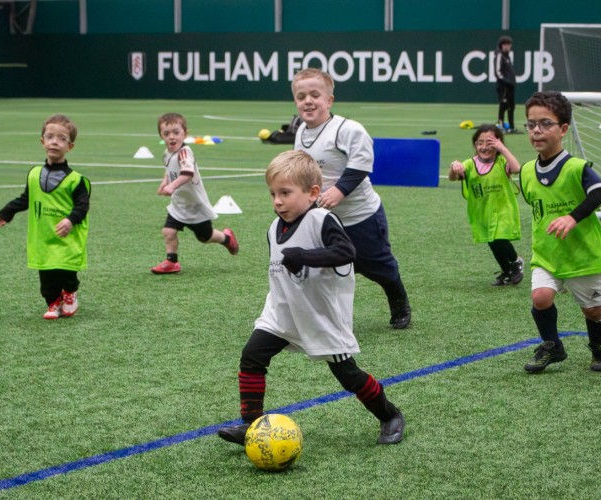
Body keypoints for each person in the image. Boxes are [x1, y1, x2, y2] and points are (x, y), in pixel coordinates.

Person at [216, 150, 405, 446]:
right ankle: (251, 425)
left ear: (313, 193)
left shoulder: (321, 220)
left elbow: (346, 252)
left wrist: (305, 256)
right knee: (252, 356)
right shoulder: (273, 228)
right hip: (281, 312)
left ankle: (389, 415)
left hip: (319, 315)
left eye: (285, 193)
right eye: (273, 194)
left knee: (347, 375)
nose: (278, 201)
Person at [291, 68, 412, 329]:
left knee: (379, 267)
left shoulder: (348, 129)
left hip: (360, 216)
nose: (308, 101)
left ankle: (399, 303)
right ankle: (320, 315)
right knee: (323, 268)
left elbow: (362, 162)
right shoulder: (300, 132)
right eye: (301, 97)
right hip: (324, 218)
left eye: (315, 95)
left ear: (329, 100)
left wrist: (339, 190)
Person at [518, 91, 601, 373]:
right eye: (531, 124)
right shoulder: (526, 171)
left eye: (545, 123)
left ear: (563, 129)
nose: (536, 130)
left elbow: (599, 192)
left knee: (593, 310)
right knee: (540, 297)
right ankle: (553, 346)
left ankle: (599, 347)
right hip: (547, 254)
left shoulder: (576, 167)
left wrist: (572, 218)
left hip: (581, 256)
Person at [0, 114, 90, 320]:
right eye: (50, 137)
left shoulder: (76, 180)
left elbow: (83, 207)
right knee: (47, 277)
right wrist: (8, 211)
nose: (55, 142)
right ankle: (53, 302)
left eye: (62, 139)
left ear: (70, 146)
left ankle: (70, 292)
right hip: (43, 236)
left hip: (66, 237)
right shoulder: (34, 174)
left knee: (67, 271)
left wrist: (70, 220)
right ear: (42, 141)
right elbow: (27, 198)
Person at [150, 113, 238, 274]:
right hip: (179, 204)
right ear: (161, 136)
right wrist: (165, 182)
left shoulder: (185, 153)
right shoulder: (167, 153)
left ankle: (226, 238)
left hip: (195, 205)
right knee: (168, 232)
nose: (171, 137)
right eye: (166, 133)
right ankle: (171, 262)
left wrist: (172, 186)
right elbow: (169, 169)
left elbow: (187, 173)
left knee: (205, 237)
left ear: (185, 134)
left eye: (176, 132)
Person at [448, 123, 525, 286]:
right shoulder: (470, 164)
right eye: (479, 143)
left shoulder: (502, 161)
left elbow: (517, 168)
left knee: (499, 238)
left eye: (489, 143)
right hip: (482, 212)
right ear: (475, 145)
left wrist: (502, 149)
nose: (484, 147)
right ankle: (507, 271)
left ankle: (515, 261)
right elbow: (453, 177)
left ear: (498, 143)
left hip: (503, 209)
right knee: (492, 241)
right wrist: (454, 168)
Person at [494, 36, 518, 134]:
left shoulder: (507, 57)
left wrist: (512, 82)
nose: (507, 46)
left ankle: (511, 127)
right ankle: (500, 126)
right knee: (503, 105)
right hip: (503, 86)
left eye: (508, 44)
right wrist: (506, 81)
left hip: (510, 86)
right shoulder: (499, 55)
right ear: (501, 45)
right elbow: (497, 72)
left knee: (511, 106)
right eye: (504, 44)